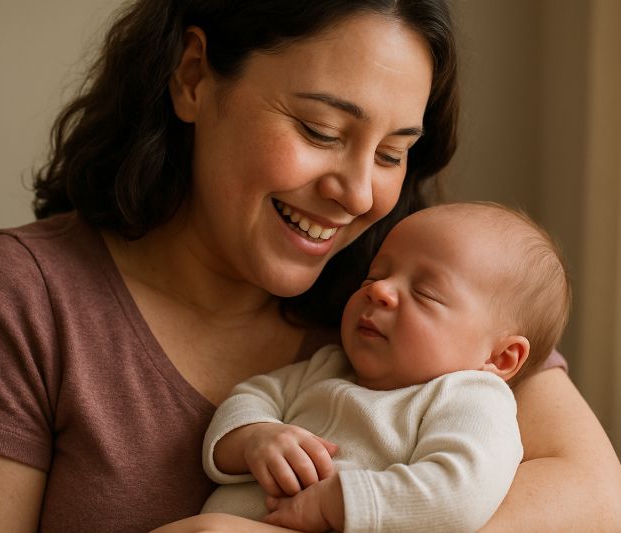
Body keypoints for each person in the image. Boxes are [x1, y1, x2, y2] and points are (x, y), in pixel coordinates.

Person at [0, 1, 621, 532]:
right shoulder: (22, 297)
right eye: (320, 131)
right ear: (194, 77)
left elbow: (602, 508)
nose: (359, 194)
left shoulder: (435, 302)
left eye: (392, 153)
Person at [199, 202, 570, 533]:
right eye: (374, 276)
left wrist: (339, 503)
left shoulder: (471, 400)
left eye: (424, 293)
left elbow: (459, 492)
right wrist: (255, 437)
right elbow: (248, 398)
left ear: (500, 358)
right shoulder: (328, 366)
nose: (379, 291)